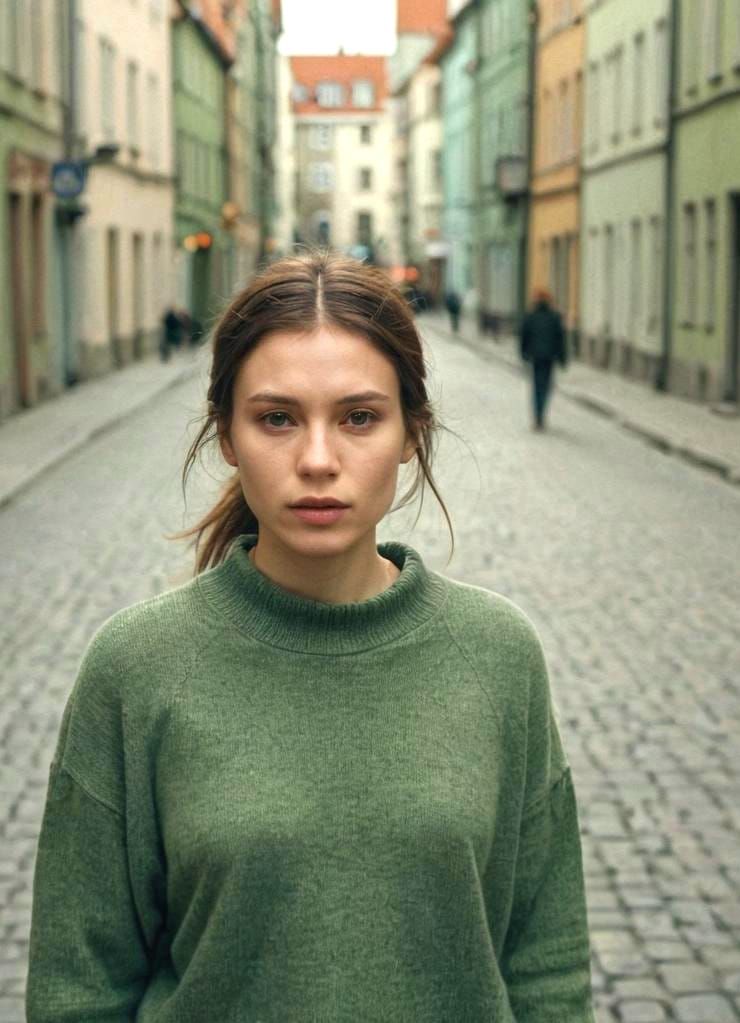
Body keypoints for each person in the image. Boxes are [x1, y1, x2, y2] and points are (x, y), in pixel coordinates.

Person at [26, 252, 595, 1022]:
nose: (318, 460)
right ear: (226, 433)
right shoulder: (137, 668)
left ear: (410, 434)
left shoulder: (496, 654)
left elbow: (546, 961)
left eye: (359, 417)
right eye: (277, 418)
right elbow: (79, 987)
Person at [519, 286, 568, 431]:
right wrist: (562, 358)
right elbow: (560, 339)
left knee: (536, 386)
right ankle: (541, 414)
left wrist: (523, 353)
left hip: (535, 357)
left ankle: (538, 416)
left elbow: (524, 336)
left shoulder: (530, 316)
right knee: (546, 386)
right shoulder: (554, 317)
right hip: (549, 357)